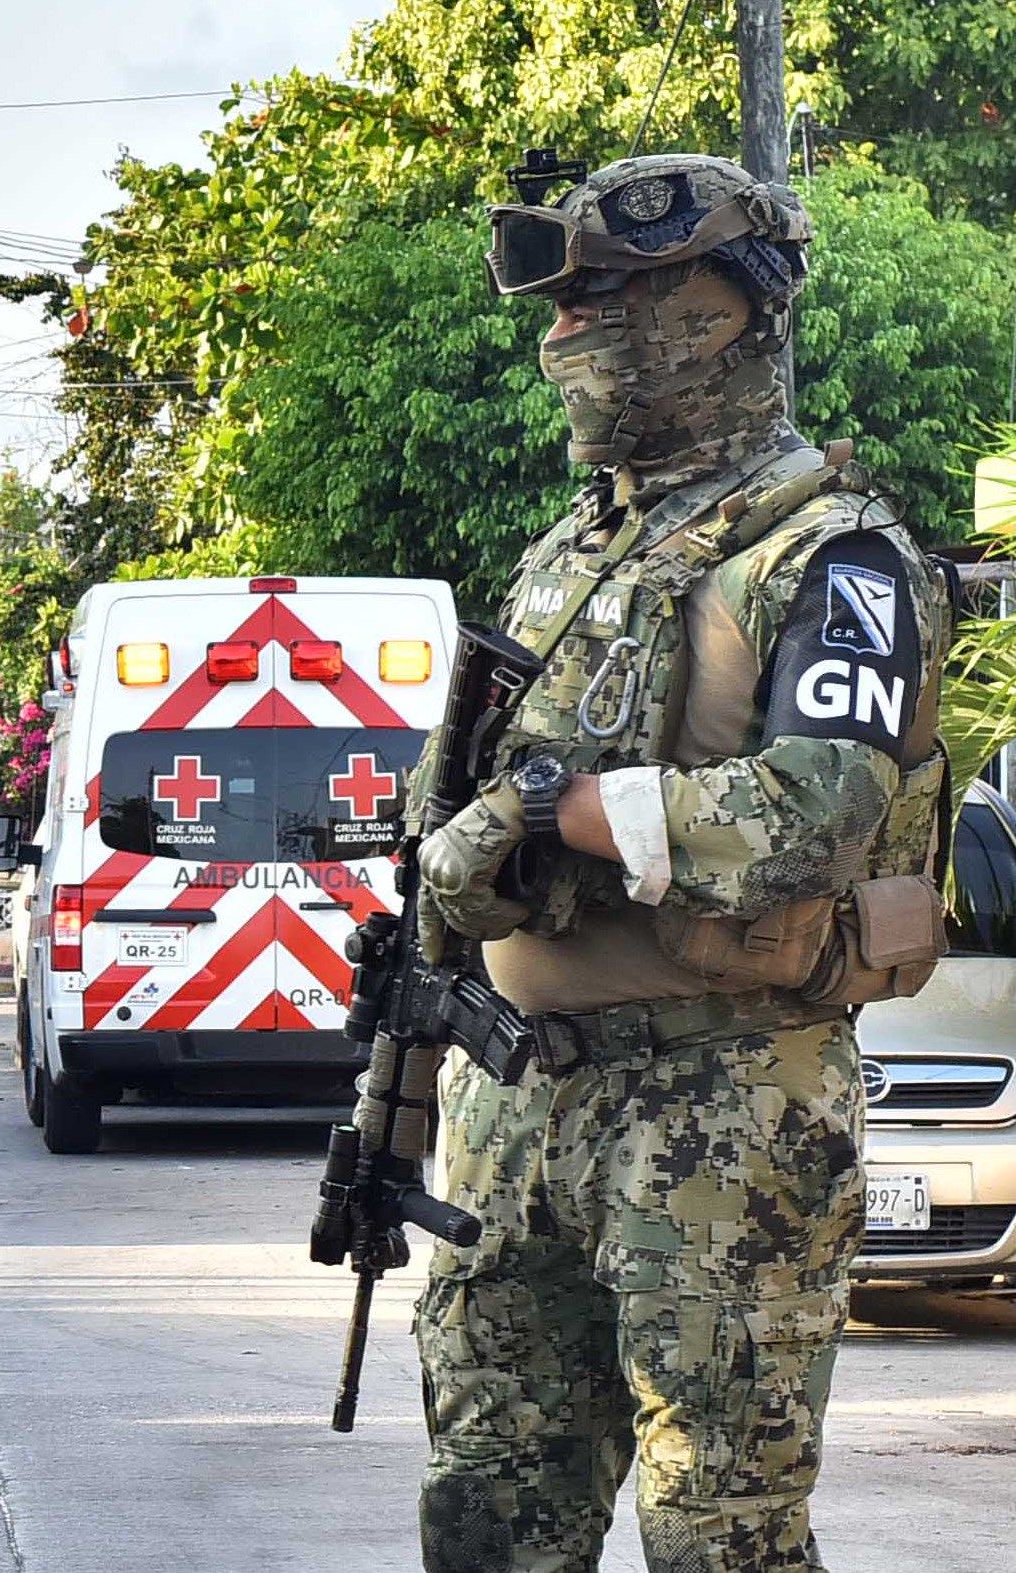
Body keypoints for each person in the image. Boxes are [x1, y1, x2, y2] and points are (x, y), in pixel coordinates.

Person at [411, 153, 952, 1570]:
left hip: (718, 1106)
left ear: (713, 316)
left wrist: (552, 812)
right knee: (484, 1514)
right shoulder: (566, 555)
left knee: (718, 1531)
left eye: (606, 302)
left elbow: (814, 811)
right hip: (517, 1094)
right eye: (564, 305)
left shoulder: (831, 555)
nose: (563, 337)